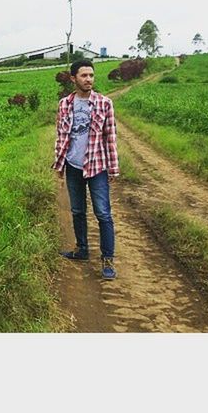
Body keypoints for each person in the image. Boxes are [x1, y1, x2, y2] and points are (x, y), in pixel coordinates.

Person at [52, 59, 119, 280]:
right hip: (73, 166)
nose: (88, 79)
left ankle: (107, 259)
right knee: (78, 211)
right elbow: (62, 136)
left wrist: (113, 168)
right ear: (73, 79)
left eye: (91, 75)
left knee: (103, 213)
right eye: (84, 75)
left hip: (97, 166)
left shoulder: (104, 103)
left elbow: (110, 138)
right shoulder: (64, 105)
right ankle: (81, 250)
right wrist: (59, 164)